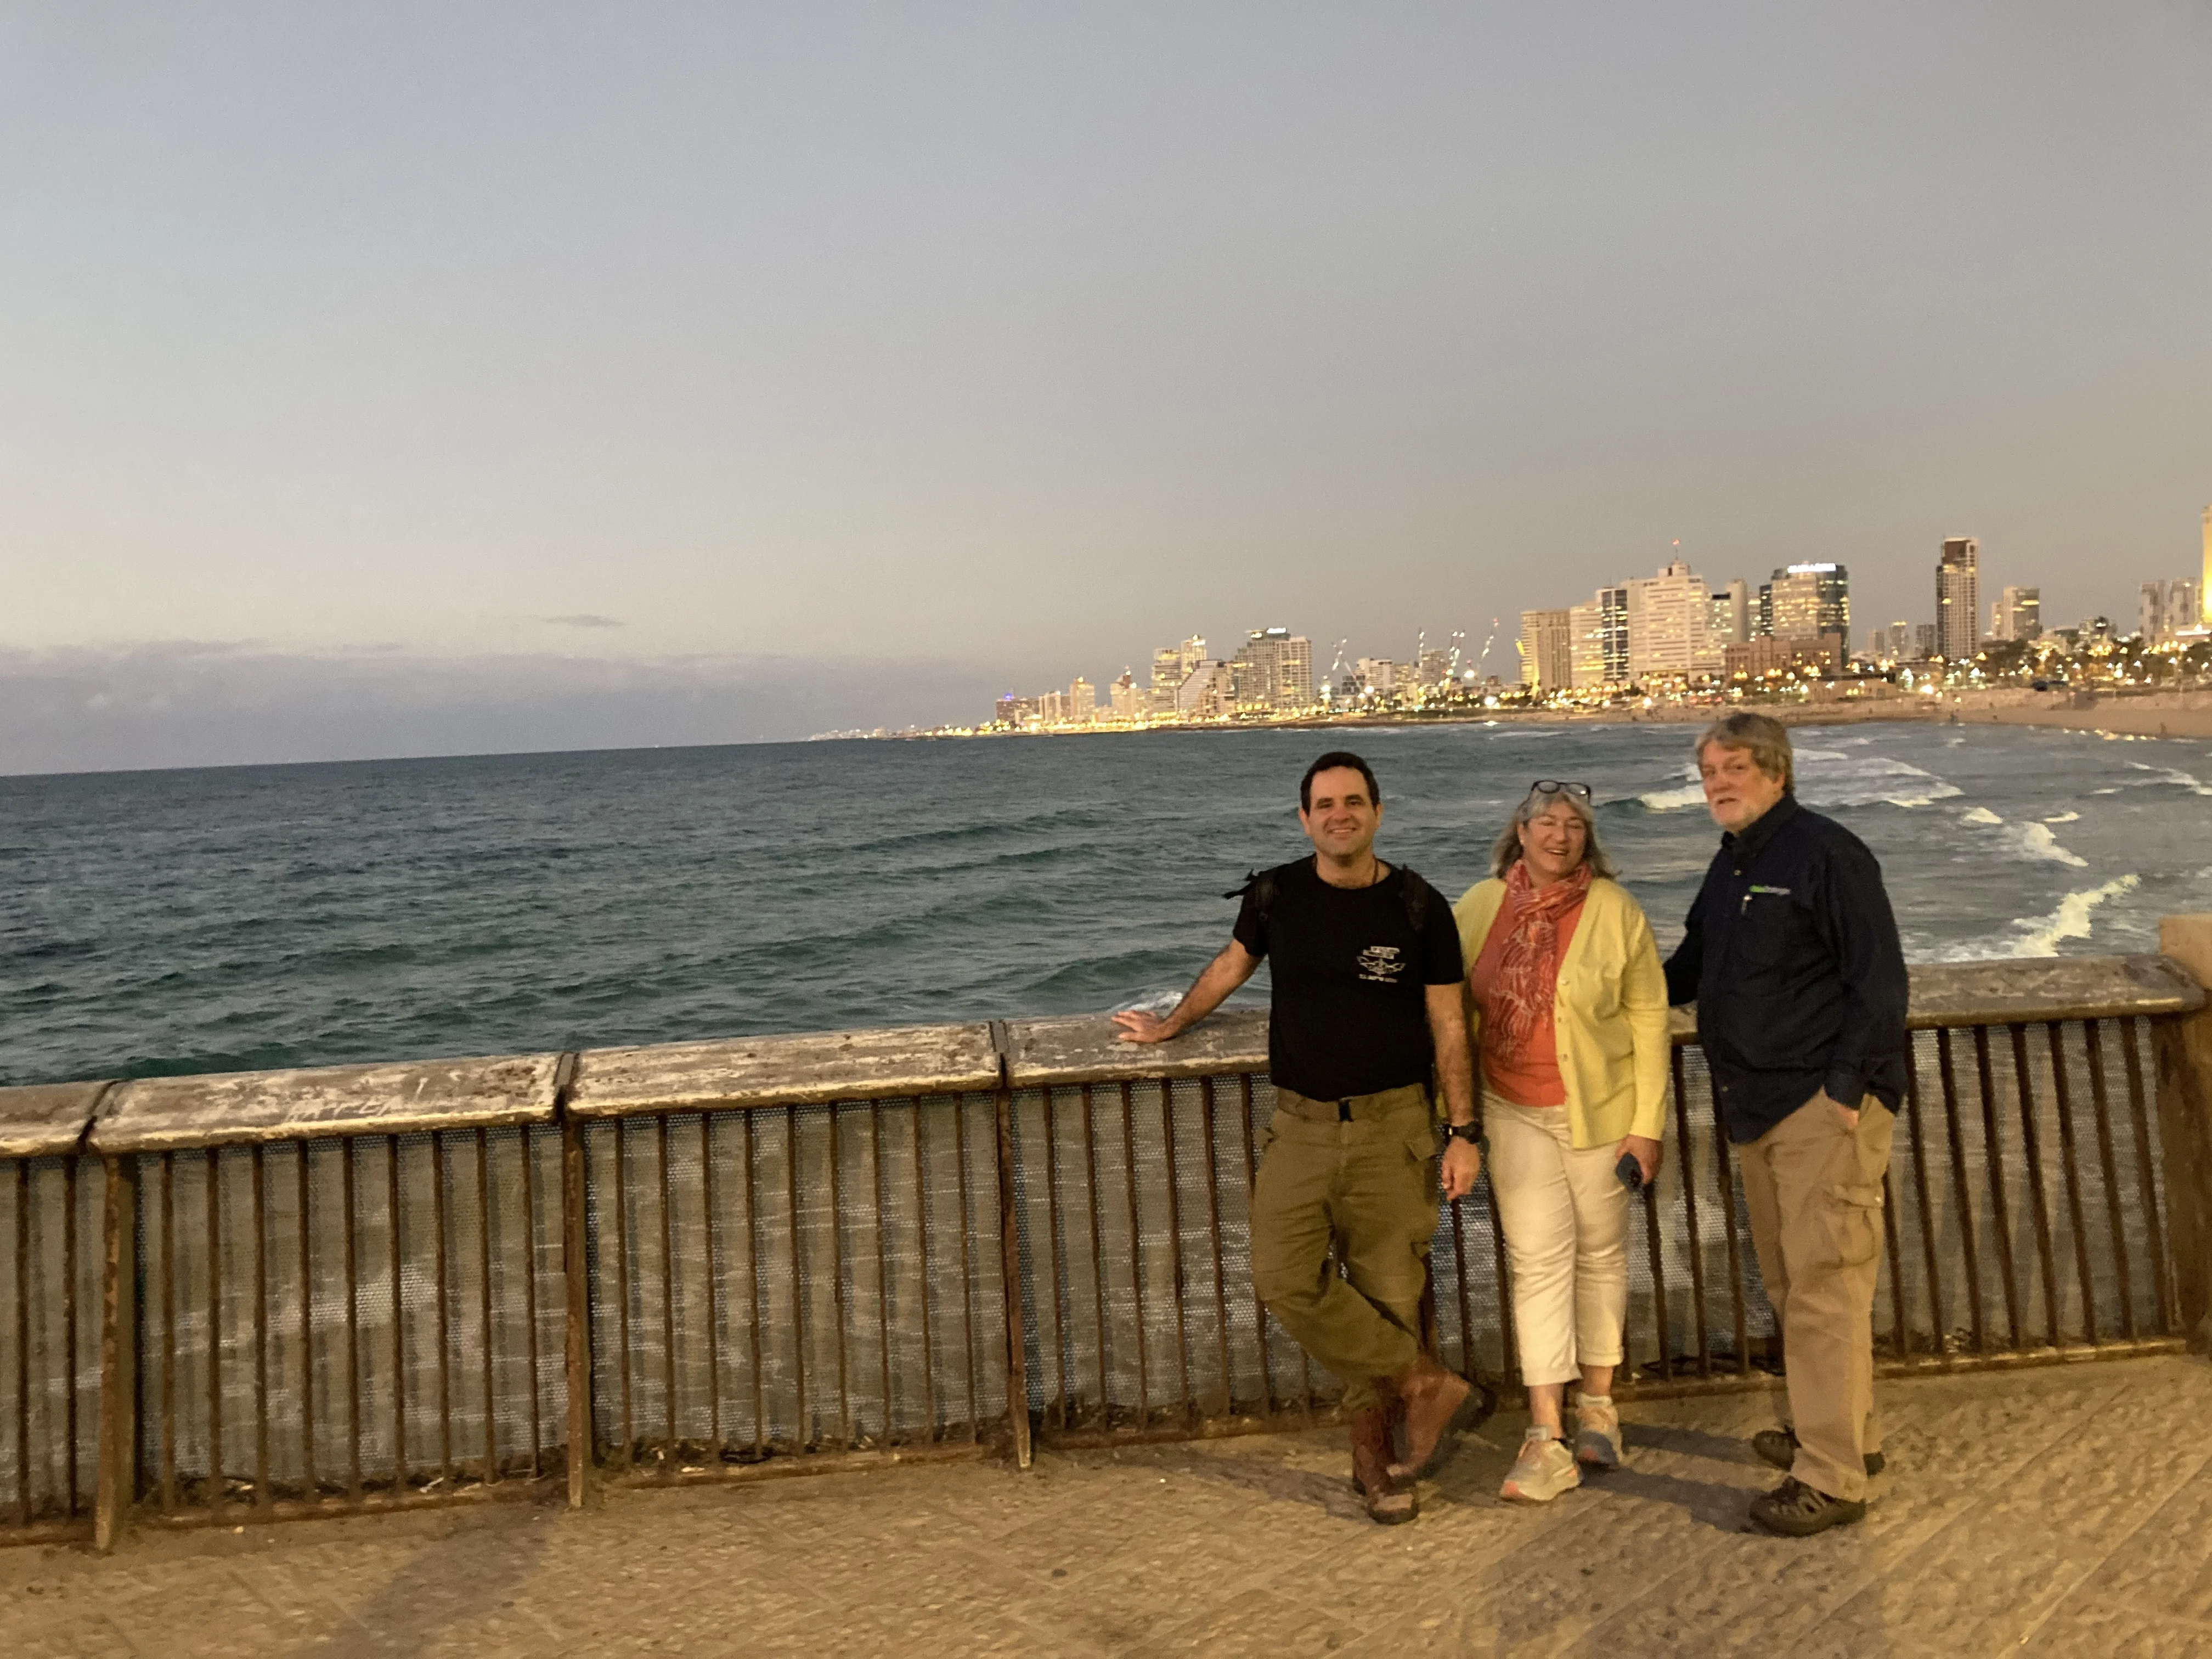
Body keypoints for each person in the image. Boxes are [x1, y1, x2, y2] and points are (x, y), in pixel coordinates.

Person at [1114, 750, 1485, 1524]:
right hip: (1301, 1127)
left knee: (1388, 1295)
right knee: (1283, 1278)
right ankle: (1425, 1382)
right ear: (1304, 819)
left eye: (1353, 802)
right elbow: (1233, 964)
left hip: (1395, 1129)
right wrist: (1172, 1024)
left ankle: (1375, 1462)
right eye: (1325, 805)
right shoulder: (1275, 895)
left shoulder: (1420, 906)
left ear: (1378, 812)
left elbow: (1450, 1023)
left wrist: (1464, 1132)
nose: (1339, 815)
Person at [1663, 711, 1908, 1538]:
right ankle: (1845, 1436)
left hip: (1816, 1106)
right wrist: (1597, 989)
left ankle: (1832, 1478)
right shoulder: (1733, 863)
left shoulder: (1827, 853)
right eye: (1709, 772)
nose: (1718, 784)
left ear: (1776, 772)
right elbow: (1690, 969)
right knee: (1797, 1288)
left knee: (1825, 1289)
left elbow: (1880, 982)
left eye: (1734, 768)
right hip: (1756, 1105)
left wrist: (1844, 1090)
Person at [1453, 780, 1669, 1504]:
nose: (1560, 835)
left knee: (1601, 1254)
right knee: (1537, 1262)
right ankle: (1545, 1434)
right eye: (1546, 822)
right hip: (1510, 1108)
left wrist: (1647, 1126)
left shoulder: (1616, 909)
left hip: (1601, 1112)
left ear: (1588, 839)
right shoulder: (1480, 905)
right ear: (1520, 833)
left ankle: (1598, 1408)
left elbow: (1648, 1018)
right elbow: (1444, 1002)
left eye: (1574, 825)